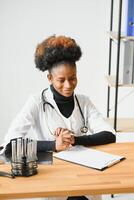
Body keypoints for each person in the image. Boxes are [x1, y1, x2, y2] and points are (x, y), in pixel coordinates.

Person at [0, 35, 116, 200]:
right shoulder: (36, 102)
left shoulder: (83, 102)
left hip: (83, 179)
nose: (68, 85)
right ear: (50, 78)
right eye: (61, 80)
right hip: (53, 181)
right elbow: (10, 145)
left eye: (73, 78)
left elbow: (109, 134)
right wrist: (54, 144)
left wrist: (74, 139)